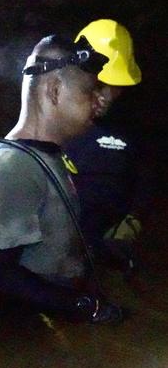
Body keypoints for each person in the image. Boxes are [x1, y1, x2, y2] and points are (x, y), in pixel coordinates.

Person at [0, 34, 123, 323]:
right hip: (25, 339)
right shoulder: (12, 165)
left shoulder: (47, 157)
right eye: (89, 91)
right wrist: (84, 307)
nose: (99, 100)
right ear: (54, 91)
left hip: (48, 321)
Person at [64, 19, 150, 274]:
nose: (104, 96)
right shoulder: (54, 125)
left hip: (106, 252)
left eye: (113, 86)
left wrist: (132, 221)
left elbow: (147, 179)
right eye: (97, 84)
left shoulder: (133, 128)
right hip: (59, 251)